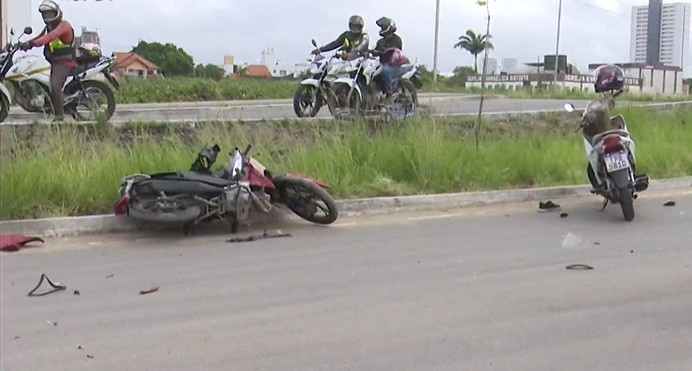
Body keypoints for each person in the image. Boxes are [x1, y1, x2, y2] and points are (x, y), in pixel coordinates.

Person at [20, 0, 77, 122]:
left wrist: (34, 43)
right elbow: (40, 37)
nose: (47, 17)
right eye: (45, 15)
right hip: (54, 61)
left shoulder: (63, 25)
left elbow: (49, 37)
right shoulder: (49, 27)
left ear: (57, 13)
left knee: (55, 86)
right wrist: (26, 44)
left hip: (64, 63)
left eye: (50, 14)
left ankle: (59, 117)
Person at [373, 17, 405, 104]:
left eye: (383, 27)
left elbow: (393, 50)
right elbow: (375, 51)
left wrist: (382, 52)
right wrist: (369, 52)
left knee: (385, 70)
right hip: (382, 63)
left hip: (393, 65)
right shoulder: (380, 41)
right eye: (381, 27)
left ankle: (389, 94)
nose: (382, 29)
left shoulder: (396, 39)